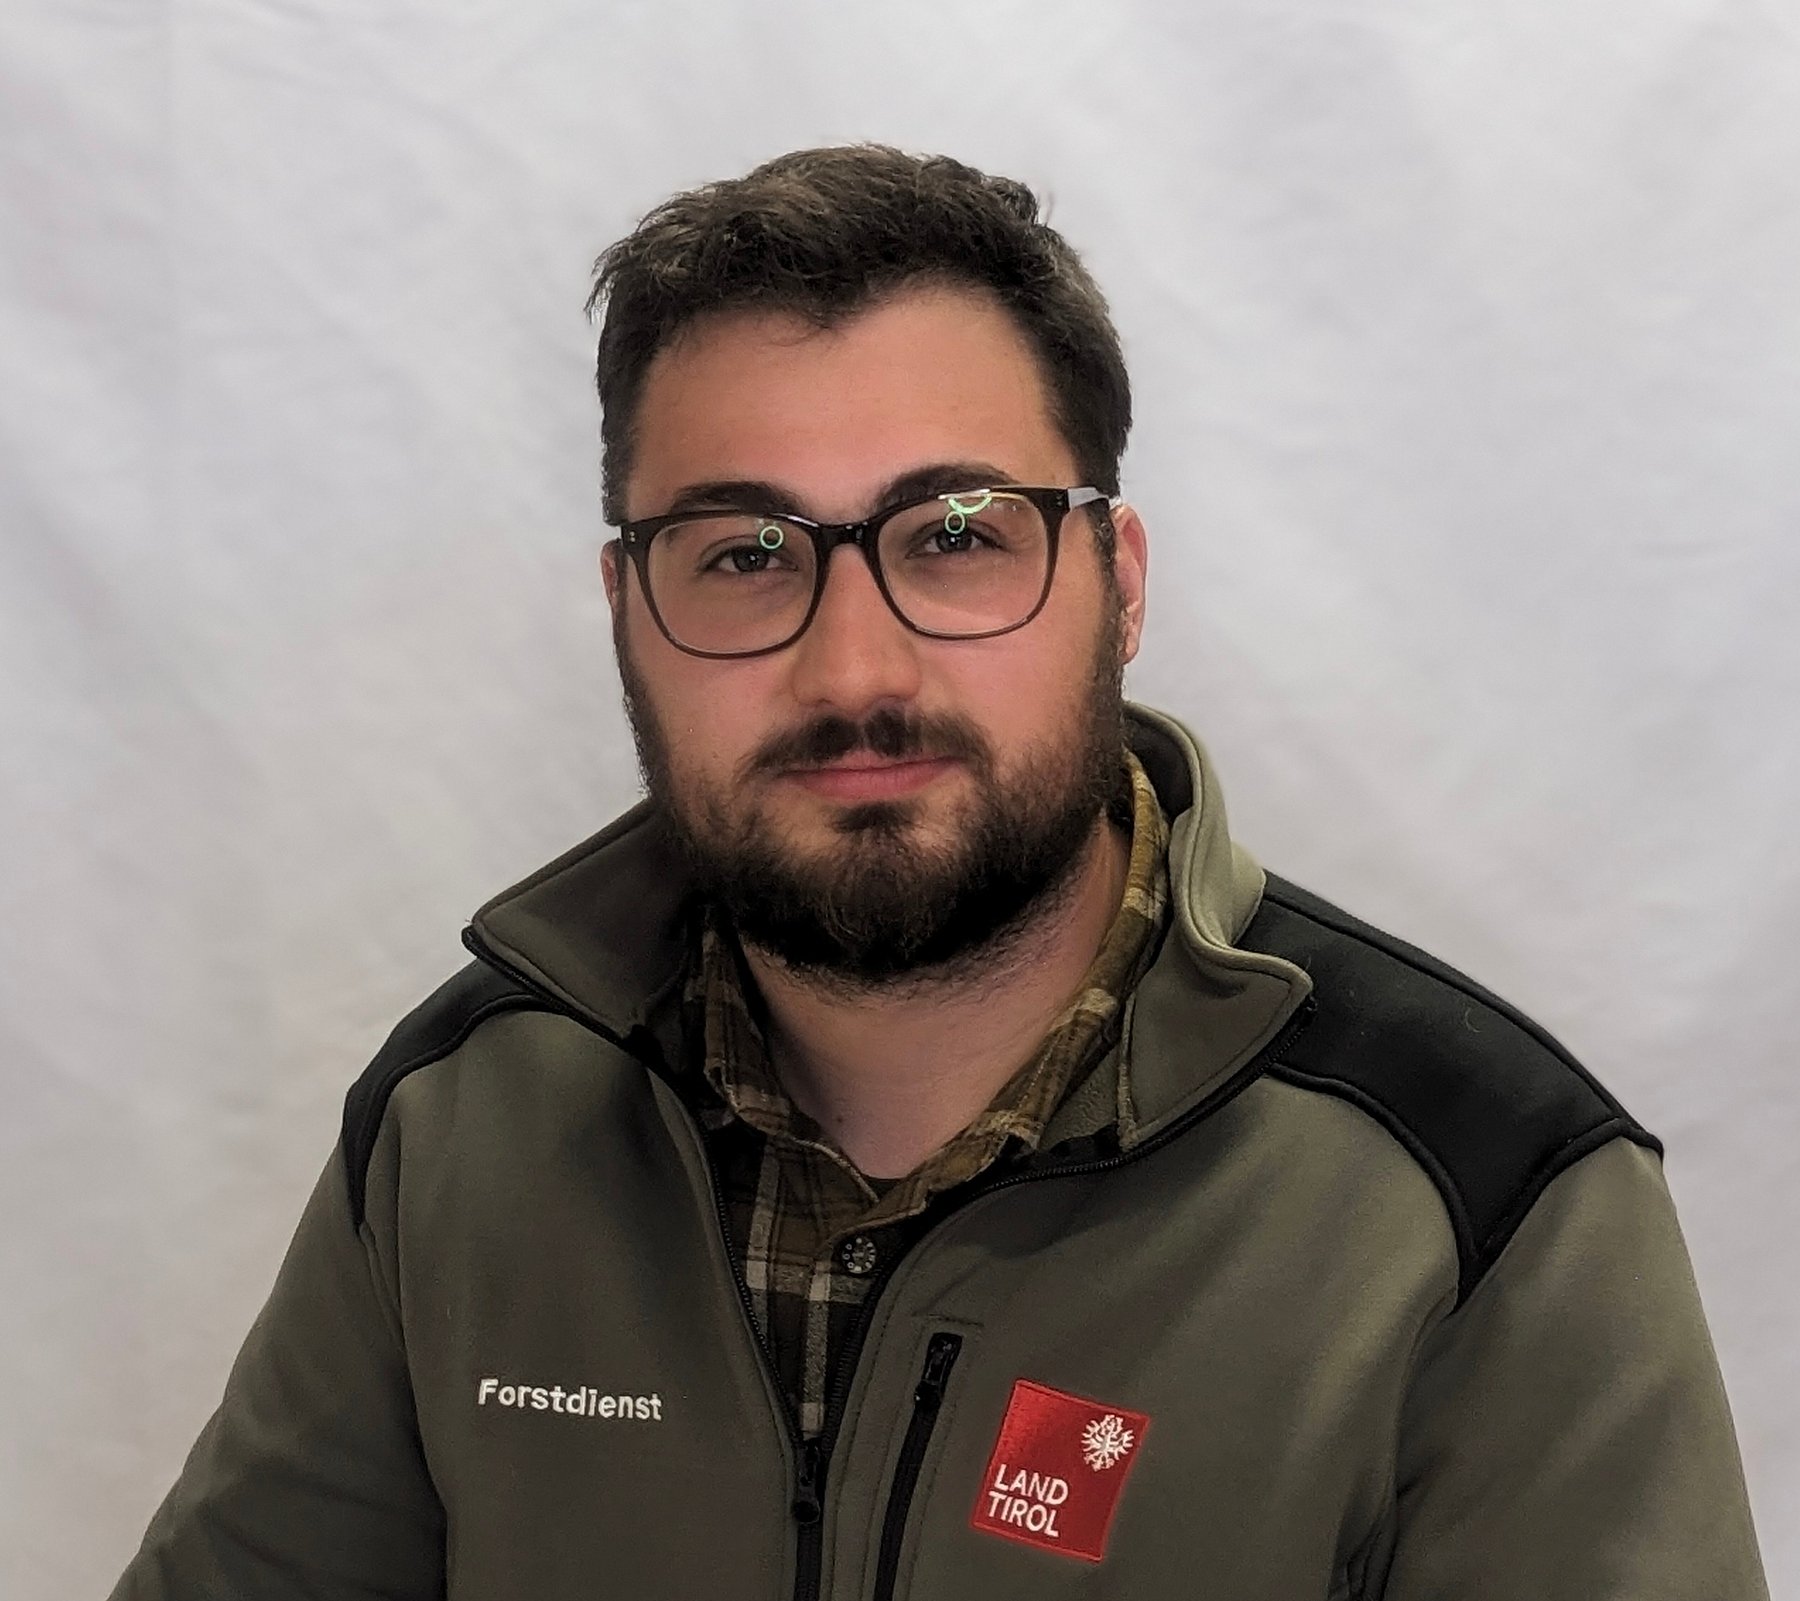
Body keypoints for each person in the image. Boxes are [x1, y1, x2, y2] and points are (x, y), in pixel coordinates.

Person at [111, 145, 1768, 1600]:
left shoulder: (1482, 1203)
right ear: (627, 613)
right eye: (744, 554)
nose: (853, 668)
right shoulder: (461, 1129)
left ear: (1119, 580)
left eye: (957, 534)